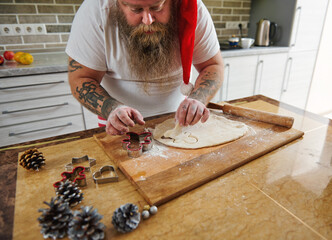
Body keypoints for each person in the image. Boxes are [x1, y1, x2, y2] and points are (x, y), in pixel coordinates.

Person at [66, 0, 224, 136]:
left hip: (179, 120)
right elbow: (81, 78)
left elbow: (212, 65)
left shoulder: (192, 7)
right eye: (136, 10)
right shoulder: (94, 12)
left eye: (157, 7)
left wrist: (198, 98)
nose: (148, 20)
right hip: (118, 125)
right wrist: (111, 108)